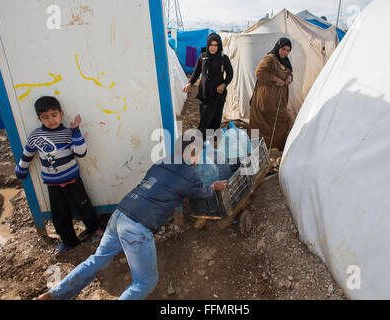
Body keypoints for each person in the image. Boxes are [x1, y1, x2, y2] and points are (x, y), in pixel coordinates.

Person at [37, 136, 228, 300]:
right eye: (200, 152)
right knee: (145, 282)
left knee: (97, 261)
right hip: (137, 227)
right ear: (192, 153)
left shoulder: (162, 161)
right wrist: (214, 187)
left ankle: (55, 295)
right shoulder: (190, 173)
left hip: (120, 214)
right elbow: (203, 193)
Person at [14, 96, 104, 257]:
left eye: (54, 115)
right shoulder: (36, 136)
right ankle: (69, 241)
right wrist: (21, 168)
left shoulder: (67, 134)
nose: (51, 120)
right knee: (59, 214)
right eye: (45, 117)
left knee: (84, 206)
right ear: (39, 118)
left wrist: (76, 131)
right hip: (53, 184)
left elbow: (81, 153)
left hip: (73, 180)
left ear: (61, 114)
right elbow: (28, 153)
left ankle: (95, 229)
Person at [183, 33, 233, 140]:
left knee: (216, 117)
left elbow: (230, 74)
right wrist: (190, 83)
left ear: (219, 46)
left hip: (218, 94)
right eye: (211, 45)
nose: (213, 47)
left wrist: (224, 84)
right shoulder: (203, 57)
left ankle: (210, 138)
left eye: (215, 45)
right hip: (205, 92)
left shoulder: (223, 58)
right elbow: (196, 73)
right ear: (207, 45)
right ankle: (201, 139)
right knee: (205, 117)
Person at [249, 37, 294, 151]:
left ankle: (274, 148)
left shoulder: (285, 61)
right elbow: (259, 72)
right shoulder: (270, 58)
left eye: (288, 50)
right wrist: (275, 78)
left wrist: (289, 77)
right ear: (278, 47)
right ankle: (257, 148)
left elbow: (289, 72)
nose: (285, 52)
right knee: (261, 124)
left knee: (283, 121)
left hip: (279, 99)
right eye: (283, 49)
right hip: (265, 98)